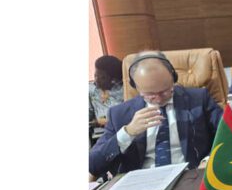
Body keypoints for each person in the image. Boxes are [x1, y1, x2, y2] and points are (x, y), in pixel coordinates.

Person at [89, 51, 223, 179]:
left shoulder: (199, 99)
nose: (158, 99)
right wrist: (127, 132)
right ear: (135, 86)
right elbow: (93, 164)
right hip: (141, 183)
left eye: (165, 91)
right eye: (150, 94)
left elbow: (228, 135)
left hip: (189, 177)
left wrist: (208, 161)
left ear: (173, 78)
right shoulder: (119, 114)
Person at [89, 55, 124, 129]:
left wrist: (99, 122)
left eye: (102, 77)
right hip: (99, 132)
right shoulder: (92, 90)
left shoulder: (123, 91)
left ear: (114, 80)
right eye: (95, 76)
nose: (96, 80)